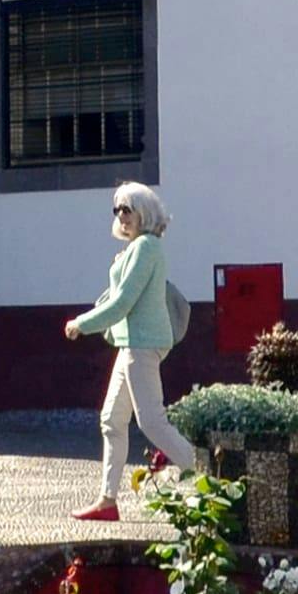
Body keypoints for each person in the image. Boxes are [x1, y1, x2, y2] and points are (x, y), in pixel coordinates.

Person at [63, 181, 188, 522]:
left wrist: (81, 323)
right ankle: (107, 501)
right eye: (117, 209)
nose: (121, 215)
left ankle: (215, 482)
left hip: (142, 342)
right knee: (111, 420)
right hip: (131, 342)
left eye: (127, 208)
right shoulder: (138, 248)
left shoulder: (146, 247)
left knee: (153, 422)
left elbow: (122, 302)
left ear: (144, 212)